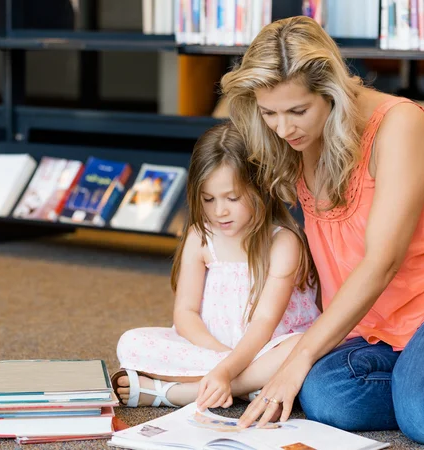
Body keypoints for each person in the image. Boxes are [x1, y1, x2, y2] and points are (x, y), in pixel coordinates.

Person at [220, 15, 424, 447]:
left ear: (332, 93)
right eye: (270, 114)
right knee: (326, 397)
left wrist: (300, 355)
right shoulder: (296, 139)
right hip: (378, 325)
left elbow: (382, 261)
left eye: (297, 111)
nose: (283, 129)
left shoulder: (400, 125)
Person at [113, 121, 319, 410]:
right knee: (130, 342)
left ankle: (181, 393)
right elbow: (185, 312)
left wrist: (227, 371)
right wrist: (222, 358)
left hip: (266, 347)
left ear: (260, 188)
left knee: (302, 348)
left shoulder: (282, 243)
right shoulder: (201, 236)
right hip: (211, 347)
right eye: (208, 199)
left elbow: (263, 323)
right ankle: (247, 384)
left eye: (232, 198)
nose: (219, 211)